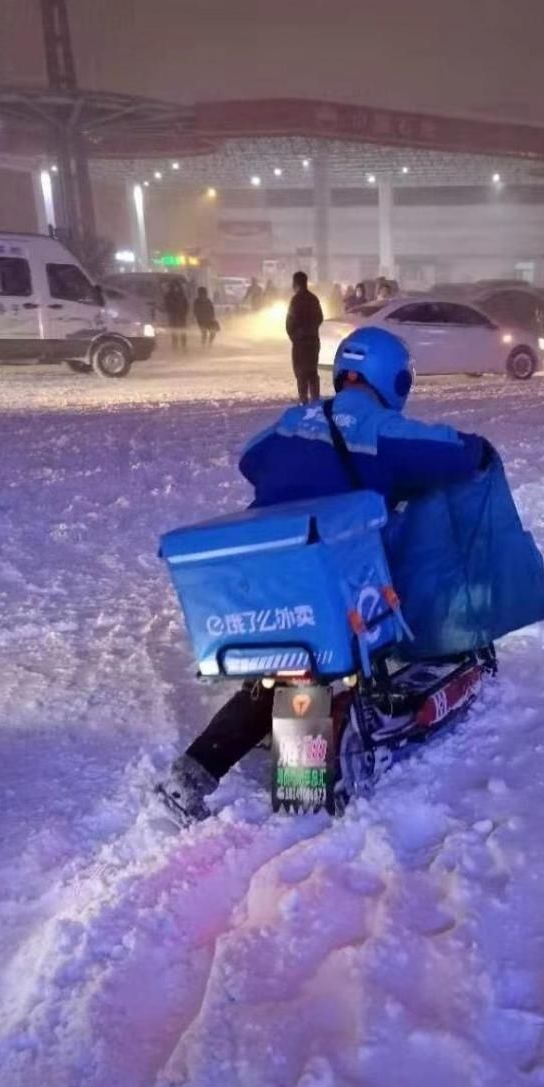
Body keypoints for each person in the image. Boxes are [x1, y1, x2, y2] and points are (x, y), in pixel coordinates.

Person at [157, 326, 486, 825]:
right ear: (393, 377)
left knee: (284, 669)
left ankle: (192, 773)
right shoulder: (381, 428)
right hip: (331, 584)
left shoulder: (290, 421)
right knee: (337, 648)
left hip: (268, 578)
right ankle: (305, 786)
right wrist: (479, 452)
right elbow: (456, 451)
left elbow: (251, 458)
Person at [286, 269, 324, 405]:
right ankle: (315, 399)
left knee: (301, 372)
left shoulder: (295, 300)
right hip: (313, 340)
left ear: (295, 283)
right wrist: (312, 330)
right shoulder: (314, 299)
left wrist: (295, 337)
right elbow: (320, 318)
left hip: (300, 342)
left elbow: (290, 323)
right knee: (312, 371)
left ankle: (303, 400)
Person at [164, 278, 189, 352]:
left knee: (182, 333)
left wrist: (184, 313)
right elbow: (167, 306)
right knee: (175, 333)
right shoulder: (169, 296)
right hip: (174, 316)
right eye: (173, 286)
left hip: (180, 316)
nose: (175, 288)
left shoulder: (181, 295)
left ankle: (183, 347)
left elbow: (186, 305)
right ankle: (176, 348)